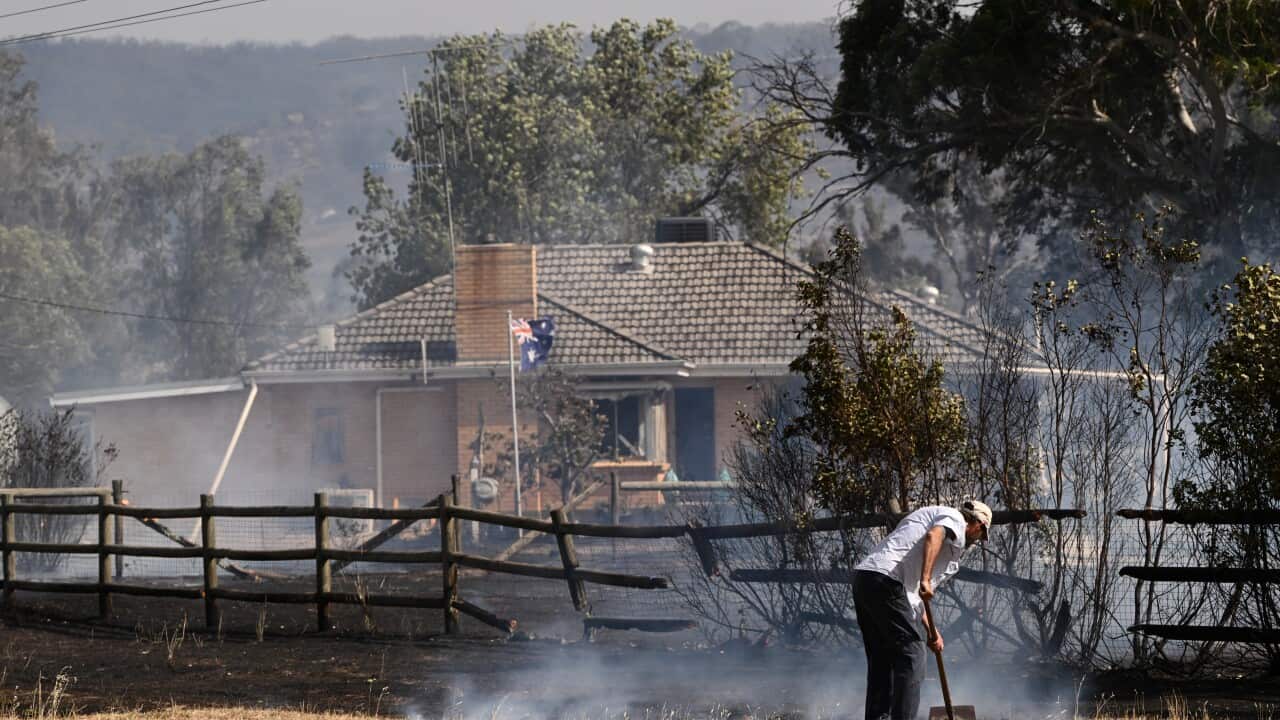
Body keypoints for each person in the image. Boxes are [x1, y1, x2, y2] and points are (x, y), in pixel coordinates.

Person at [851, 500, 992, 720]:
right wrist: (925, 578)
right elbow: (933, 536)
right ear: (977, 523)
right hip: (888, 579)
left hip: (866, 579)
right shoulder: (954, 518)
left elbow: (915, 596)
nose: (979, 540)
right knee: (913, 655)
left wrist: (932, 632)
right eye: (981, 534)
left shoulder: (943, 543)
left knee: (882, 659)